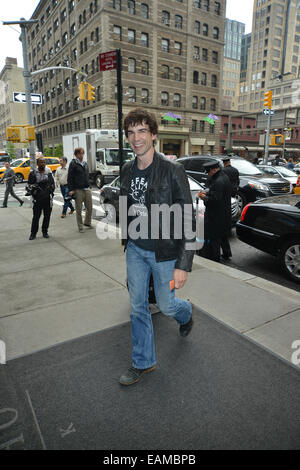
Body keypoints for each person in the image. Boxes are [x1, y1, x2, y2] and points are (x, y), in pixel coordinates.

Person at [119, 107, 196, 386]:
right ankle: (143, 362)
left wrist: (183, 265)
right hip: (136, 250)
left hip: (164, 253)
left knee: (166, 305)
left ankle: (186, 312)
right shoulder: (127, 169)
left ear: (153, 135)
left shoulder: (172, 170)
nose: (136, 137)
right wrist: (126, 239)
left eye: (142, 131)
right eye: (131, 132)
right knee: (138, 306)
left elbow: (187, 216)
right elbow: (128, 207)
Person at [198, 161, 232, 262]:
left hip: (215, 215)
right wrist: (208, 192)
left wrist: (204, 197)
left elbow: (215, 200)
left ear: (214, 170)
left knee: (214, 238)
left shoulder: (218, 181)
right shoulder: (224, 177)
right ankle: (227, 253)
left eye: (208, 172)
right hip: (224, 213)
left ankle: (214, 258)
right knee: (223, 234)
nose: (208, 174)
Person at [28, 157, 55, 240]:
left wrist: (50, 189)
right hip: (37, 199)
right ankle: (33, 233)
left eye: (44, 162)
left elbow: (52, 185)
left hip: (47, 198)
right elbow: (29, 185)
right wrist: (33, 187)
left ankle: (45, 231)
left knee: (47, 216)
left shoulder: (49, 173)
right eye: (41, 162)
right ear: (37, 164)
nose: (42, 164)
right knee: (36, 217)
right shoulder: (33, 173)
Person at [67, 147, 93, 232]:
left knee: (89, 207)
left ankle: (87, 222)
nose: (81, 155)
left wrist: (89, 185)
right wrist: (71, 189)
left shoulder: (85, 163)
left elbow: (87, 175)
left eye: (82, 153)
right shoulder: (73, 163)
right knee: (79, 209)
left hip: (86, 188)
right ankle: (80, 226)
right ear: (76, 154)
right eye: (79, 153)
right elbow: (70, 177)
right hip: (78, 189)